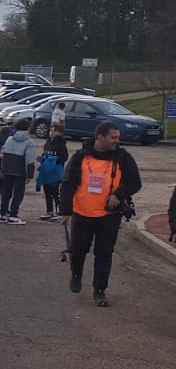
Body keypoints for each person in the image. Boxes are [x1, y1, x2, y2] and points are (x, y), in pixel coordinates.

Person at [60, 122, 142, 307]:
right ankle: (76, 274)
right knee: (78, 250)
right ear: (100, 137)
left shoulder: (123, 157)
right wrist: (65, 211)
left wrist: (118, 194)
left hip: (109, 216)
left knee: (104, 254)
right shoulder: (80, 157)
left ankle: (100, 290)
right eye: (113, 137)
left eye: (117, 137)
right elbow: (67, 184)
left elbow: (135, 183)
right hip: (82, 213)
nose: (117, 141)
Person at [0, 124, 37, 224]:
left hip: (7, 169)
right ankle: (13, 215)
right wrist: (30, 175)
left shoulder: (9, 139)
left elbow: (2, 154)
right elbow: (29, 160)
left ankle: (3, 213)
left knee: (6, 192)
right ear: (27, 129)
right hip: (20, 170)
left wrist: (2, 168)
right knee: (18, 193)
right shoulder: (29, 142)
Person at [37, 124, 68, 220]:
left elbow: (64, 157)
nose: (52, 132)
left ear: (60, 133)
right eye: (51, 130)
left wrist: (54, 160)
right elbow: (45, 153)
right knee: (47, 192)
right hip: (47, 171)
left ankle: (60, 212)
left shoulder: (61, 144)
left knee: (55, 192)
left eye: (54, 131)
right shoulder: (48, 142)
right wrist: (42, 158)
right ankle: (49, 211)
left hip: (55, 171)